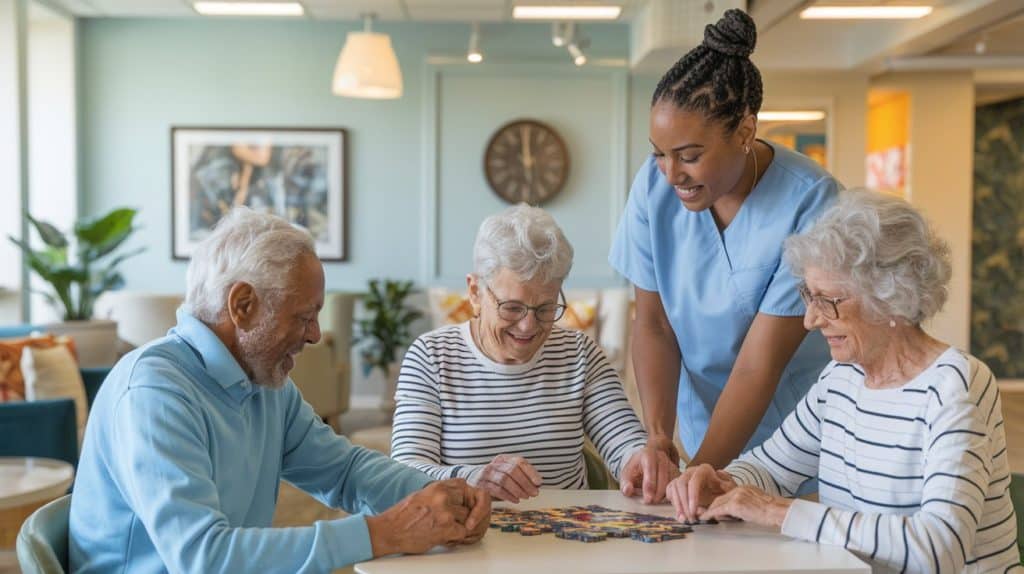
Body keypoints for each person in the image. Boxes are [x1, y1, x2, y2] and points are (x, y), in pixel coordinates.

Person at [69, 208, 490, 573]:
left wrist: (447, 496)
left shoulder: (261, 381)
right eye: (305, 316)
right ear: (243, 306)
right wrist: (383, 533)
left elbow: (345, 470)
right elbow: (203, 559)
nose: (315, 335)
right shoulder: (153, 392)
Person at [666, 190, 1020, 572]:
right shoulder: (841, 378)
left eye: (828, 301)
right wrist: (722, 482)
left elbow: (937, 549)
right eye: (808, 296)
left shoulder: (954, 386)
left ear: (889, 296)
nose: (810, 320)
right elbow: (773, 467)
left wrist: (777, 511)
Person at [608, 8, 839, 468]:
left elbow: (759, 364)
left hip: (799, 437)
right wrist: (657, 439)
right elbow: (653, 324)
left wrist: (698, 473)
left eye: (690, 156)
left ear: (745, 132)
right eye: (659, 154)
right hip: (706, 426)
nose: (671, 174)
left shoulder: (812, 202)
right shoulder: (654, 188)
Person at [390, 204, 678, 503]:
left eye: (545, 308)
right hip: (464, 537)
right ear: (475, 291)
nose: (528, 326)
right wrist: (473, 478)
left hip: (569, 537)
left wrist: (639, 461)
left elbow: (625, 444)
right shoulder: (430, 356)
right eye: (512, 307)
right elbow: (404, 472)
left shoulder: (579, 353)